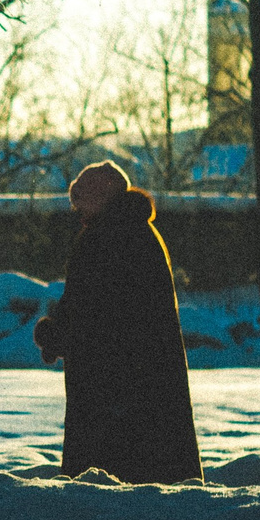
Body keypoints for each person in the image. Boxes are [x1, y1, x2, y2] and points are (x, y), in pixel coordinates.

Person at [32, 161, 202, 483]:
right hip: (137, 380)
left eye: (81, 203)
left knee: (115, 477)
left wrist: (59, 335)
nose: (78, 212)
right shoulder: (131, 232)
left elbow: (100, 314)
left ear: (100, 199)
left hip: (116, 386)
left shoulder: (110, 238)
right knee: (148, 468)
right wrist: (60, 332)